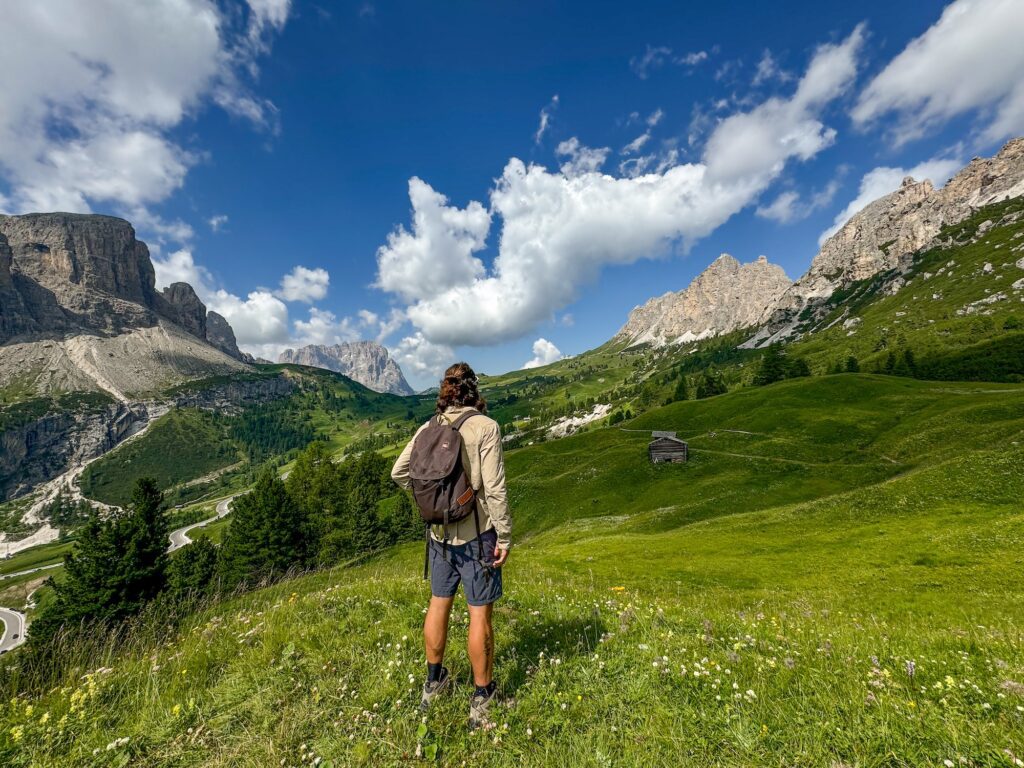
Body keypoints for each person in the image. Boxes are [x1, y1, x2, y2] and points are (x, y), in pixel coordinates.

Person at [390, 362, 511, 730]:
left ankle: (433, 683)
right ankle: (483, 697)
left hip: (438, 537)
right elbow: (494, 487)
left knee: (438, 604)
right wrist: (504, 534)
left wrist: (433, 505)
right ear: (474, 392)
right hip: (476, 535)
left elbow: (398, 472)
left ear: (445, 391)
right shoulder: (485, 428)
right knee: (479, 614)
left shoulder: (429, 427)